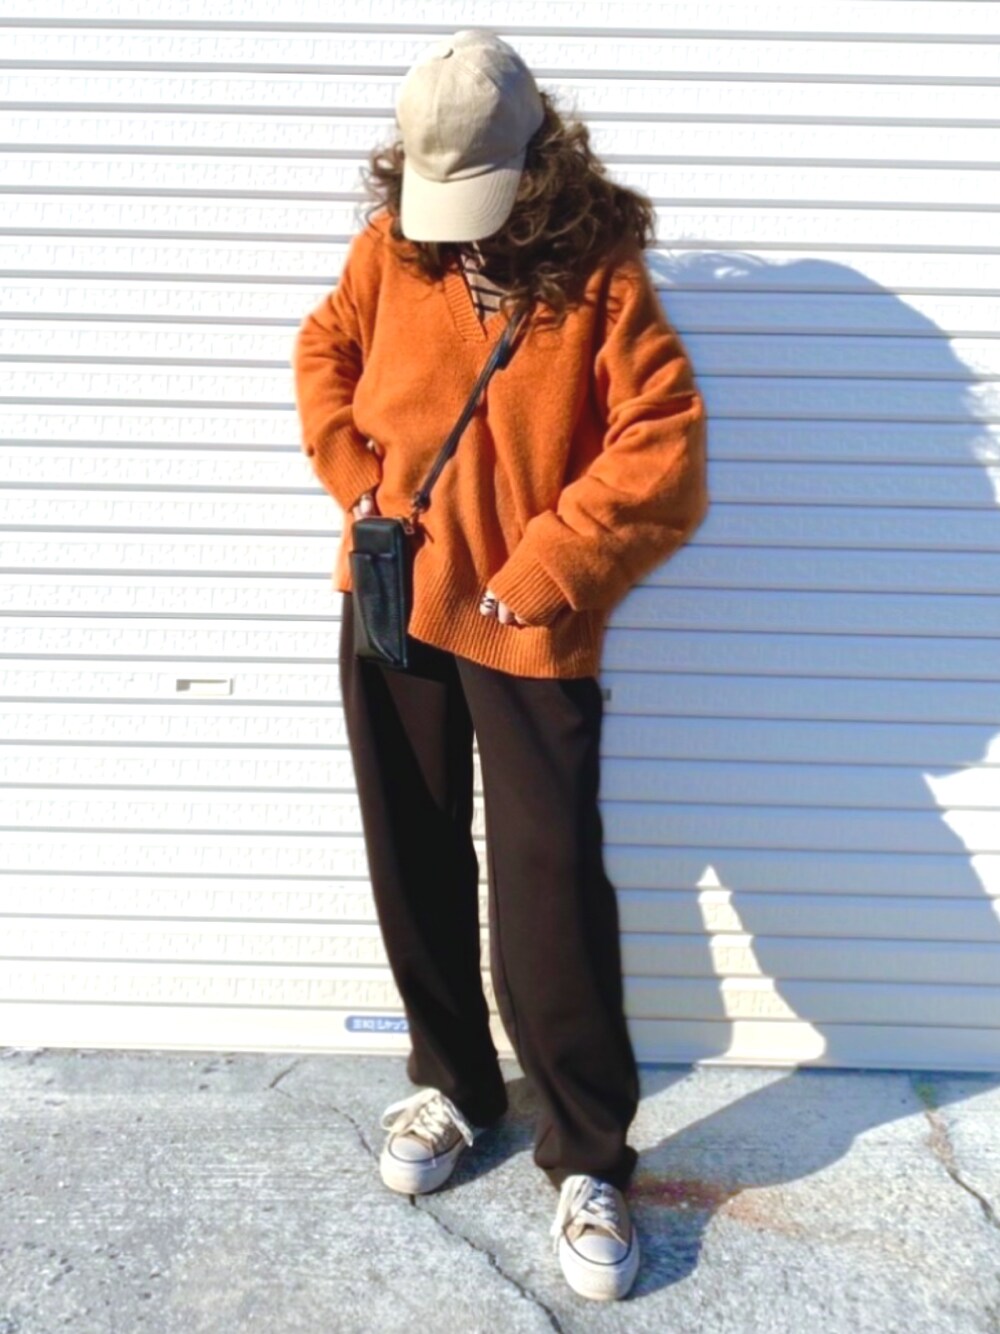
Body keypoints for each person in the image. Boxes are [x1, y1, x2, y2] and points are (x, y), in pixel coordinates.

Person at [292, 28, 709, 1303]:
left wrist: (548, 566)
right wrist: (361, 483)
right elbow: (323, 354)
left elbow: (662, 445)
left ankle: (587, 1152)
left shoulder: (598, 277)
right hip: (391, 599)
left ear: (536, 165)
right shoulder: (390, 250)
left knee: (548, 887)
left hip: (527, 622)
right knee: (411, 849)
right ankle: (455, 1084)